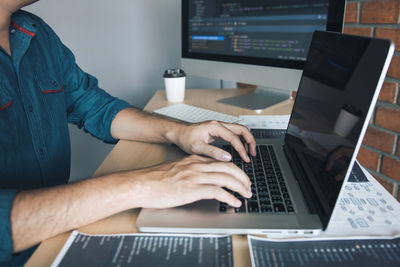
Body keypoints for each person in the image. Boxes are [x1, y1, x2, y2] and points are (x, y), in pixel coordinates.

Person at [0, 1, 257, 265]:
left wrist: (180, 132)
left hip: (58, 231)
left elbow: (93, 106)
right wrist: (139, 185)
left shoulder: (35, 32)